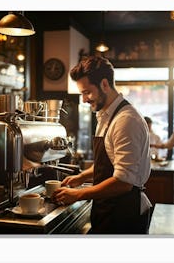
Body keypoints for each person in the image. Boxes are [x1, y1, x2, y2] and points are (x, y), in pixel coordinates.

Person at [52, 56, 152, 234]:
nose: (83, 99)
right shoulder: (105, 116)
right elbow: (109, 164)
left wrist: (78, 194)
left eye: (87, 92)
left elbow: (123, 182)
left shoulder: (125, 120)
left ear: (104, 84)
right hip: (107, 209)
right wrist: (82, 177)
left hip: (124, 214)